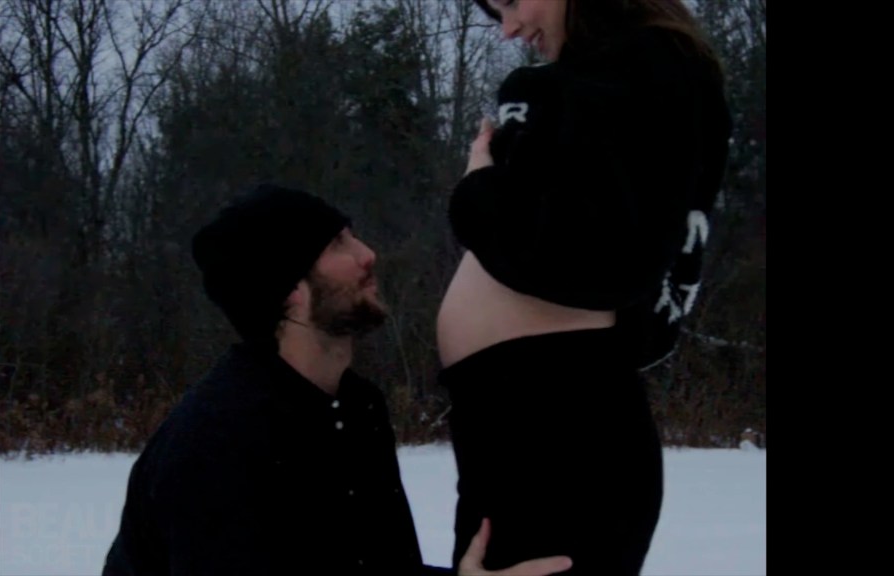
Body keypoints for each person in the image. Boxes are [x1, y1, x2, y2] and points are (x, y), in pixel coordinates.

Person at [102, 184, 573, 576]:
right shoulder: (220, 440)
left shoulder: (356, 406)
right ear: (289, 290)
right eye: (336, 245)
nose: (367, 254)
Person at [436, 1, 733, 574]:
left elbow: (605, 264)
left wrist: (478, 190)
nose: (509, 28)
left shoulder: (644, 69)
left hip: (557, 436)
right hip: (537, 426)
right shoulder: (623, 74)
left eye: (513, 1)